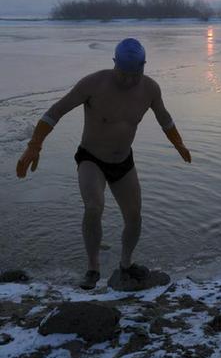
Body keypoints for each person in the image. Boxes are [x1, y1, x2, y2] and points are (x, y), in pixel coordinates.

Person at [16, 38, 191, 289]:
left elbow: (165, 118)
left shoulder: (150, 89)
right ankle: (92, 268)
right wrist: (34, 146)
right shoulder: (94, 84)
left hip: (123, 161)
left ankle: (126, 264)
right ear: (114, 64)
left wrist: (179, 144)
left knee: (134, 216)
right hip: (92, 159)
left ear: (144, 66)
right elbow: (55, 112)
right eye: (124, 73)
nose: (130, 80)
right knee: (94, 207)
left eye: (136, 74)